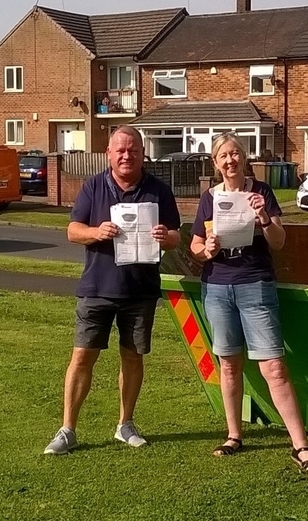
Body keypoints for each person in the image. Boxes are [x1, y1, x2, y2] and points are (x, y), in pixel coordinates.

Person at [189, 133, 308, 475]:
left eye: (235, 154)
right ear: (215, 163)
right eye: (223, 156)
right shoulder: (209, 198)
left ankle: (301, 447)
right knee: (229, 365)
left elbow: (278, 242)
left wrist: (264, 218)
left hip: (255, 285)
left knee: (274, 368)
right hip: (218, 287)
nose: (230, 160)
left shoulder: (260, 192)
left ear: (243, 158)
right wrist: (208, 251)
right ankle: (234, 436)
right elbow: (195, 245)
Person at [44, 125, 181, 455]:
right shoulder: (93, 186)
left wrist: (167, 236)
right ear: (108, 154)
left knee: (132, 358)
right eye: (120, 149)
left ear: (142, 153)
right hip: (97, 288)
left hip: (140, 290)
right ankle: (67, 430)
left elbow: (177, 237)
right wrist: (97, 231)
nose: (126, 155)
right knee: (82, 357)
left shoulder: (159, 190)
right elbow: (73, 231)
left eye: (133, 149)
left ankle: (125, 424)